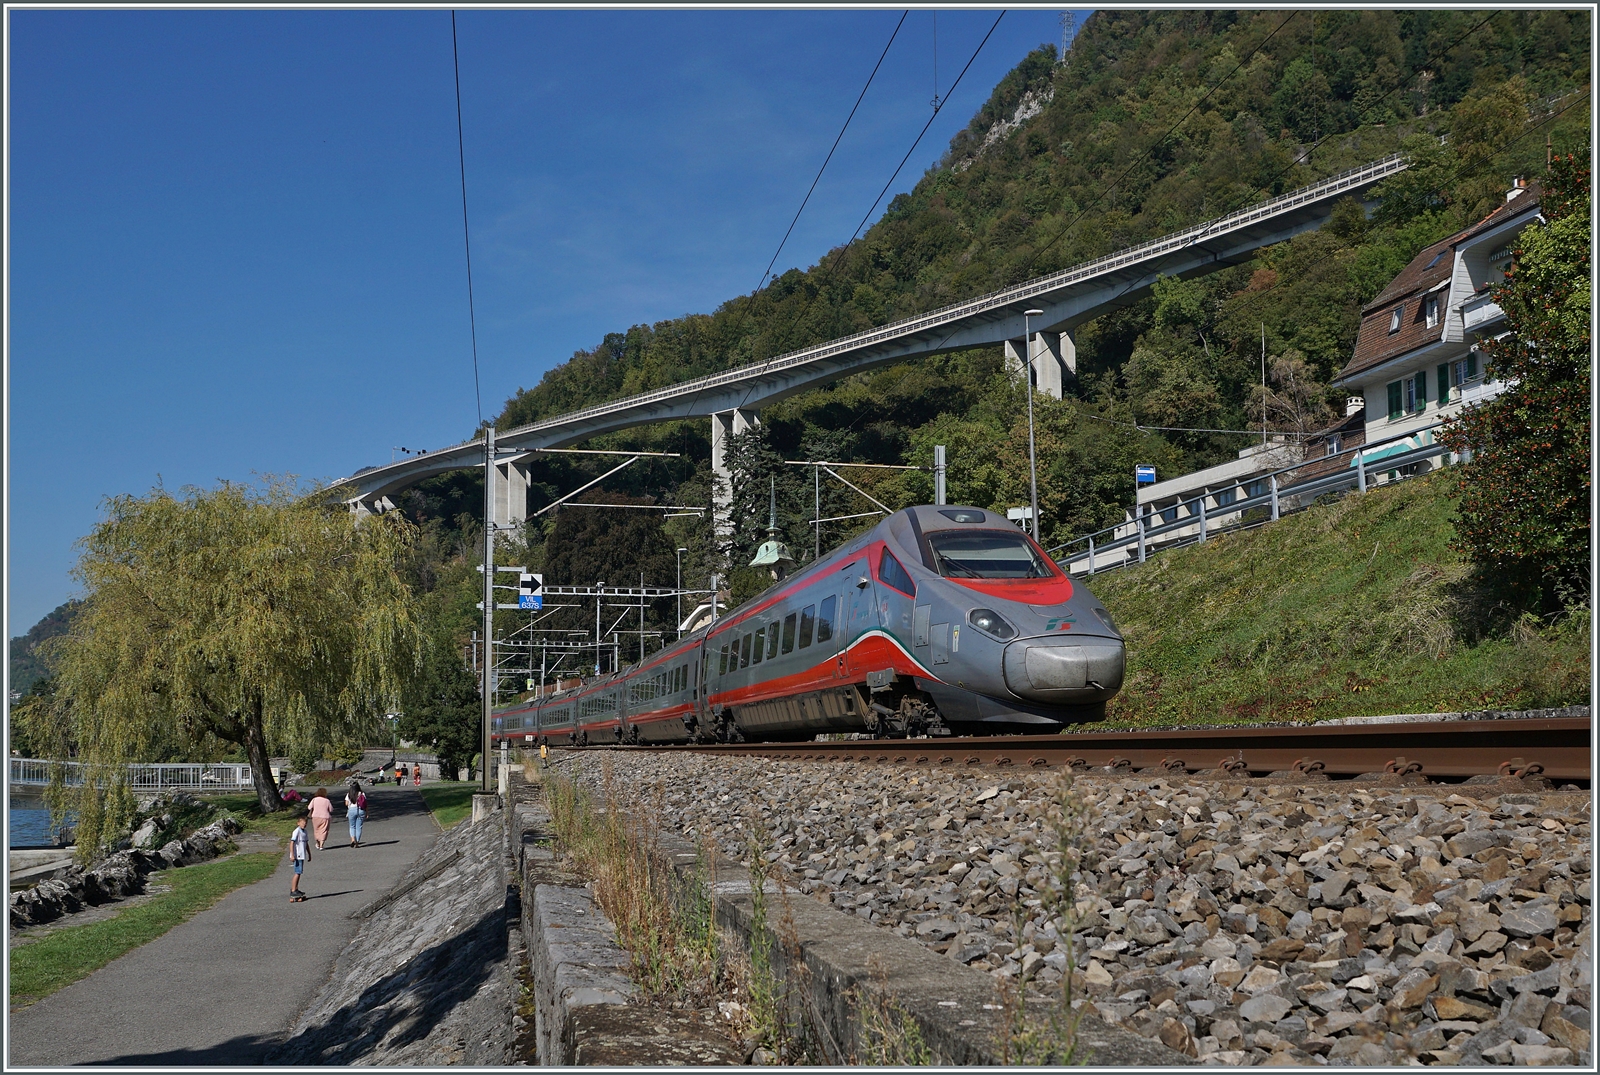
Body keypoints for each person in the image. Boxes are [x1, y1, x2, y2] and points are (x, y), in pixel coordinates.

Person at [289, 811, 311, 902]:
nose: (304, 824)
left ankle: (296, 889)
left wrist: (309, 854)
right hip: (297, 855)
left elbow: (306, 844)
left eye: (305, 823)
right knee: (297, 872)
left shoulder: (305, 832)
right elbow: (292, 843)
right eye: (302, 823)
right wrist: (292, 855)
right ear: (298, 823)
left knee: (299, 872)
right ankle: (293, 890)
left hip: (302, 855)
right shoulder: (296, 831)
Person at [345, 783, 365, 848]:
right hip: (360, 810)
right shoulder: (362, 793)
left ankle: (353, 839)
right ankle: (357, 843)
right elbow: (365, 803)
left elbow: (346, 803)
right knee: (359, 827)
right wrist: (367, 812)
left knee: (352, 826)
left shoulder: (349, 794)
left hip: (351, 810)